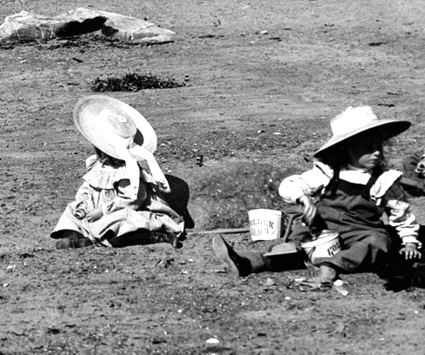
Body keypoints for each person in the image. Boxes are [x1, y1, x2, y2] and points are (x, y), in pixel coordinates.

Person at [213, 106, 422, 290]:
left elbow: (401, 214)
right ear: (347, 149)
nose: (376, 153)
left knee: (377, 242)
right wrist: (303, 198)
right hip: (322, 226)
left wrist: (410, 242)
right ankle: (249, 262)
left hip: (361, 230)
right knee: (293, 245)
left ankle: (330, 267)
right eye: (367, 148)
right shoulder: (328, 172)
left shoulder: (385, 180)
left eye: (379, 147)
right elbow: (292, 184)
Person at [50, 96, 184, 249]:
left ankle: (157, 236)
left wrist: (103, 210)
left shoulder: (127, 172)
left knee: (118, 227)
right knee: (71, 211)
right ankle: (77, 237)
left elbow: (133, 200)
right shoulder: (98, 164)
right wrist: (83, 205)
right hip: (94, 209)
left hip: (118, 210)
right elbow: (87, 188)